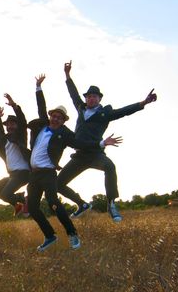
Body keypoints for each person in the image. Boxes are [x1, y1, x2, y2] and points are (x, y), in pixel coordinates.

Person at [26, 75, 121, 252]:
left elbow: (81, 144)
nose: (55, 119)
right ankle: (49, 235)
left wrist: (100, 143)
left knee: (53, 203)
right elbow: (41, 107)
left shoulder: (65, 134)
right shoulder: (42, 127)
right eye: (54, 116)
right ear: (50, 116)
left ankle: (72, 233)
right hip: (34, 174)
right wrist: (38, 87)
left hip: (48, 173)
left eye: (60, 118)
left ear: (63, 121)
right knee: (32, 207)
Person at [58, 61, 157, 222]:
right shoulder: (80, 108)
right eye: (89, 96)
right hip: (79, 155)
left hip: (96, 154)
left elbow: (124, 111)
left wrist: (142, 103)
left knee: (110, 166)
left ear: (99, 98)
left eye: (94, 96)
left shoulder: (106, 113)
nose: (91, 99)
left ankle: (111, 204)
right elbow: (73, 93)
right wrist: (67, 75)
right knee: (58, 183)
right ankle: (81, 204)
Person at [0, 93, 31, 216]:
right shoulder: (5, 140)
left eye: (12, 124)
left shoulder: (20, 136)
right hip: (12, 175)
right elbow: (1, 133)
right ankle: (18, 202)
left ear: (17, 125)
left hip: (23, 173)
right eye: (8, 124)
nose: (10, 126)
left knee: (5, 194)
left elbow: (23, 120)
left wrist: (13, 105)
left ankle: (24, 201)